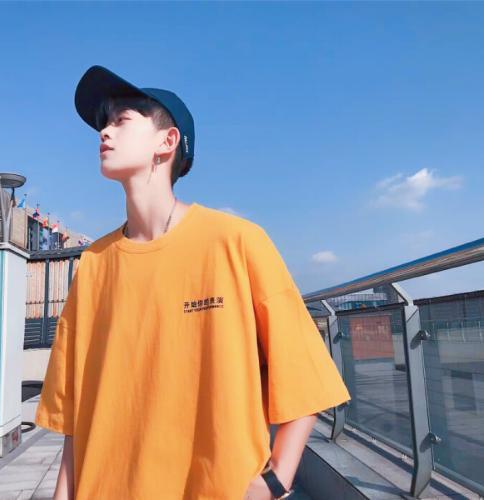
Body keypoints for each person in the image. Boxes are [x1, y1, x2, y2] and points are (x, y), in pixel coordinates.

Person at [34, 65, 351, 500]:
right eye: (104, 122)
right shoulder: (93, 262)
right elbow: (75, 410)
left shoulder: (236, 241)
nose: (104, 131)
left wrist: (275, 481)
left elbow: (305, 375)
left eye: (121, 120)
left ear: (167, 141)